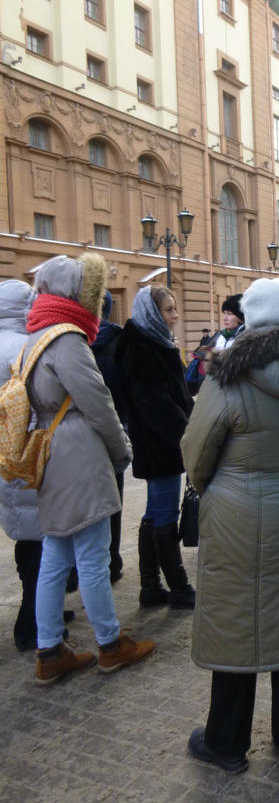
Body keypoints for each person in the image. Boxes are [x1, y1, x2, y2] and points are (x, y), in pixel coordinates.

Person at [181, 277, 279, 776]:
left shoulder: (227, 376)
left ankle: (226, 742)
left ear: (250, 320)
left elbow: (196, 453)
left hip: (239, 514)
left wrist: (219, 486)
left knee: (238, 623)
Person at [23, 253, 155, 683]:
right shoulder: (67, 339)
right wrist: (121, 450)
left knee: (56, 557)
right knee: (94, 556)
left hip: (50, 450)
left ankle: (49, 651)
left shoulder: (37, 335)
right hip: (77, 452)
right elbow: (98, 403)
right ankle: (111, 644)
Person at [0, 280, 76, 652]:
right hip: (30, 454)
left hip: (5, 458)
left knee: (26, 535)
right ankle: (32, 625)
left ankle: (44, 612)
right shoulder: (23, 347)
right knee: (42, 543)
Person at [116, 285, 195, 610]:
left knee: (153, 512)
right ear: (152, 313)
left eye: (175, 309)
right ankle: (178, 587)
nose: (175, 316)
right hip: (159, 445)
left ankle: (150, 585)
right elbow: (158, 404)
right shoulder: (142, 348)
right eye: (168, 310)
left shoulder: (153, 342)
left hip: (159, 444)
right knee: (164, 515)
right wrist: (188, 436)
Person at [91, 290, 126, 583]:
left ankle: (77, 569)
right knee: (113, 500)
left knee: (80, 503)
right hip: (114, 428)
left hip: (78, 434)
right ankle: (112, 561)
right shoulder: (120, 339)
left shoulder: (72, 341)